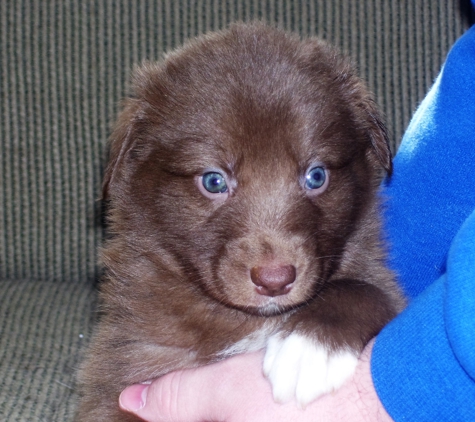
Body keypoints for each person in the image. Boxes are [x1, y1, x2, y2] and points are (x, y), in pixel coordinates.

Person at [118, 3, 475, 420]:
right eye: (213, 182)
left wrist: (384, 376)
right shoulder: (146, 328)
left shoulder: (362, 296)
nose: (275, 267)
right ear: (131, 167)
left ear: (368, 156)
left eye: (316, 178)